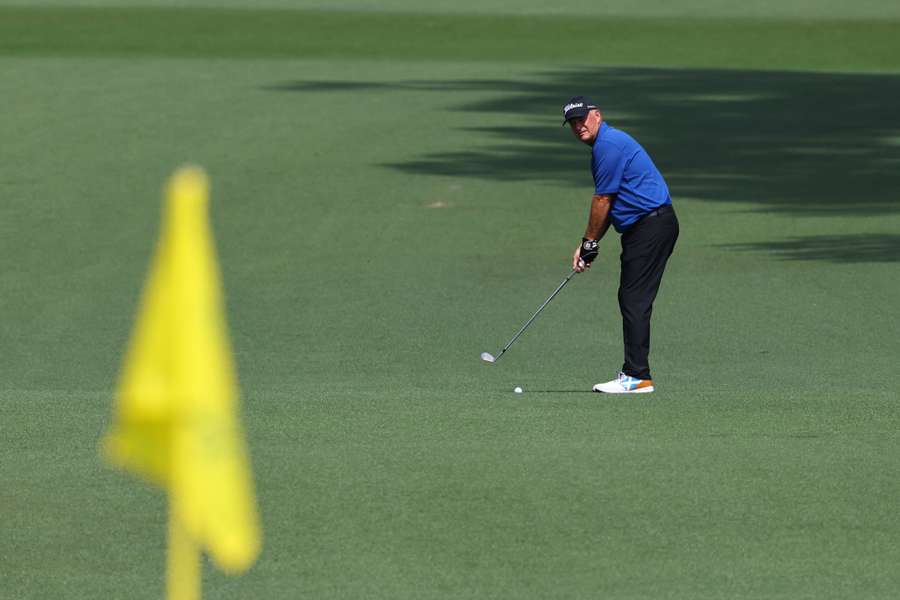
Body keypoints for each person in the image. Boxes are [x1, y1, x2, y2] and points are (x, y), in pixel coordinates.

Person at [562, 96, 679, 394]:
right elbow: (611, 204)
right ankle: (636, 374)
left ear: (597, 115)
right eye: (573, 123)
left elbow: (603, 200)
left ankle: (637, 376)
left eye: (582, 119)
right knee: (632, 298)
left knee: (634, 299)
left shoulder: (608, 146)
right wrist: (588, 245)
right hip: (648, 226)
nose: (578, 127)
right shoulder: (606, 144)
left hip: (650, 225)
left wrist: (589, 243)